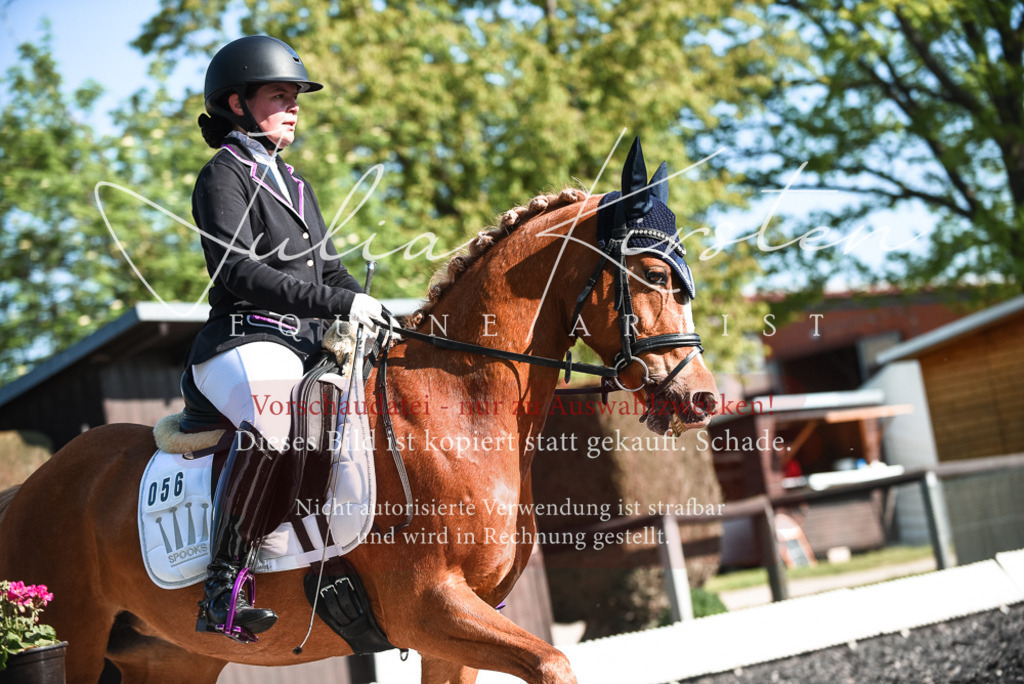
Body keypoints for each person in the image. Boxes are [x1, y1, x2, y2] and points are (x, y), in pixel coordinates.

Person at [186, 35, 391, 640]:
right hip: (242, 340)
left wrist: (380, 310)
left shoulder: (295, 184)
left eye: (296, 97)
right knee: (275, 421)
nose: (294, 107)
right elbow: (240, 272)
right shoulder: (222, 175)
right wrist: (340, 303)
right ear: (237, 103)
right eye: (280, 96)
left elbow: (330, 272)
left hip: (301, 346)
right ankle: (223, 586)